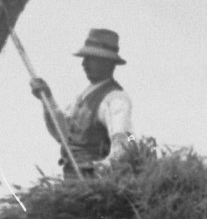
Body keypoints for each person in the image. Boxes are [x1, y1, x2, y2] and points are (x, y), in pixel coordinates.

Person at [28, 28, 133, 177]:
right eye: (85, 58)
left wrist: (99, 168)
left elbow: (125, 140)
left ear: (108, 63)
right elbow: (63, 134)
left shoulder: (115, 99)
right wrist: (47, 98)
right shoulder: (83, 97)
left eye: (92, 58)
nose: (84, 63)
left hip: (95, 184)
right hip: (73, 178)